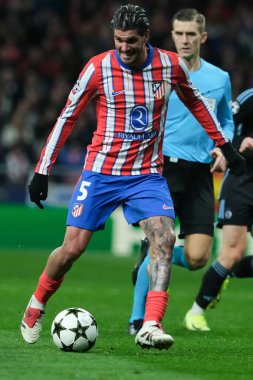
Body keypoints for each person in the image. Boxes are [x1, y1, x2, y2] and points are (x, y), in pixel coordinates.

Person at [20, 4, 245, 350]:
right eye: (119, 40)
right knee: (72, 249)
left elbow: (198, 104)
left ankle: (150, 324)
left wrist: (225, 148)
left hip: (146, 176)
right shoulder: (98, 68)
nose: (124, 47)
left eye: (132, 41)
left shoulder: (169, 66)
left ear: (146, 38)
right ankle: (36, 304)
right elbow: (67, 117)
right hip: (101, 173)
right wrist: (42, 170)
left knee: (164, 238)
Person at [128, 8, 235, 335]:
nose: (185, 40)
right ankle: (137, 319)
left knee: (198, 257)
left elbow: (227, 120)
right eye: (179, 34)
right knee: (160, 242)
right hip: (163, 170)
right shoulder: (157, 73)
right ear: (172, 36)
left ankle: (148, 262)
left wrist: (223, 146)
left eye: (191, 34)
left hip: (201, 173)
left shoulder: (219, 79)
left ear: (202, 37)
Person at [184, 88, 253, 331]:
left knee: (232, 262)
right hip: (241, 183)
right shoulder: (249, 98)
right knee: (233, 252)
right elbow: (224, 126)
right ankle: (195, 313)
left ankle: (227, 274)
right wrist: (236, 146)